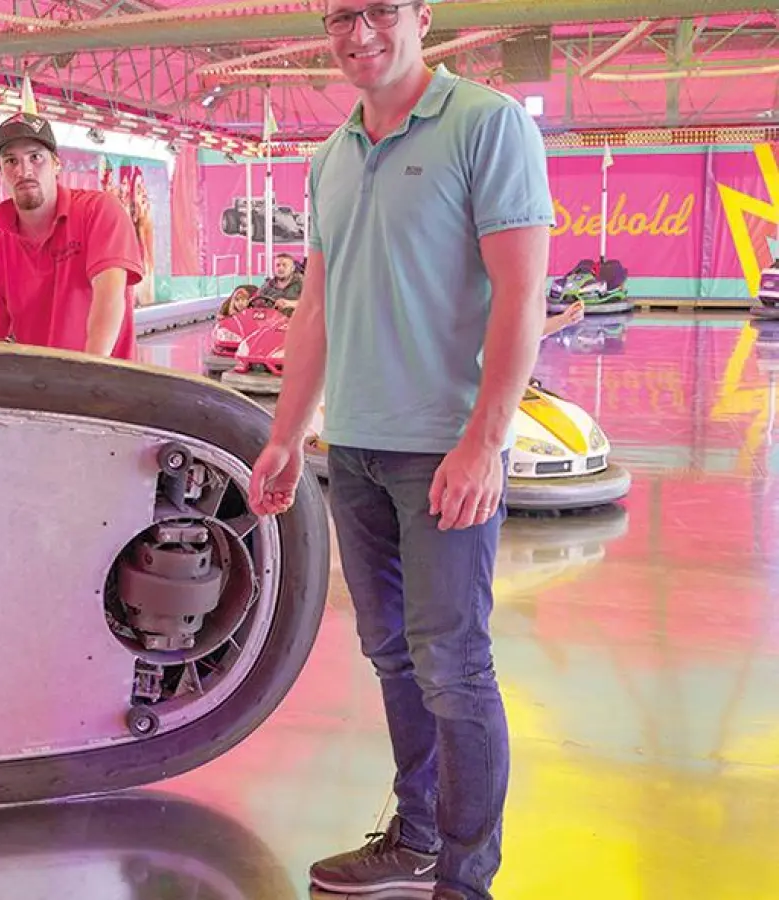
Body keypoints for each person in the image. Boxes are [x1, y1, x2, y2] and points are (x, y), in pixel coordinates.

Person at [246, 2, 554, 899]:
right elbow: (315, 308)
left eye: (380, 10)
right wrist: (283, 432)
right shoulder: (329, 156)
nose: (358, 34)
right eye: (341, 16)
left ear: (421, 16)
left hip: (441, 451)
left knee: (453, 667)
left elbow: (520, 294)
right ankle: (415, 837)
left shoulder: (484, 125)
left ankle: (464, 877)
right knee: (392, 657)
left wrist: (483, 443)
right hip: (357, 451)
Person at [0, 113, 147, 360]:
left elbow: (109, 297)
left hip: (107, 387)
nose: (24, 170)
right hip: (41, 392)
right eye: (11, 161)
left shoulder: (99, 212)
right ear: (0, 170)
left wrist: (90, 374)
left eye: (35, 157)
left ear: (56, 163)